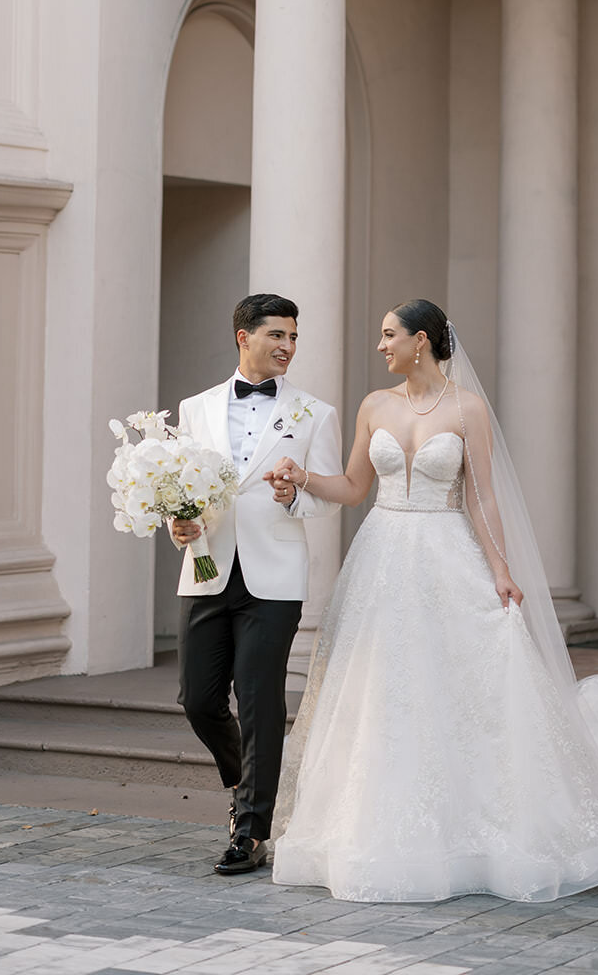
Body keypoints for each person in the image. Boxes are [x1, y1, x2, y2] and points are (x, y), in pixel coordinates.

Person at [264, 298, 598, 904]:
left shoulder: (467, 409)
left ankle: (479, 828)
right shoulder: (374, 406)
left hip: (446, 555)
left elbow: (482, 499)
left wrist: (501, 570)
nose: (380, 346)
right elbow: (354, 488)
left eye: (389, 335)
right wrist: (301, 477)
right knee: (383, 689)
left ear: (423, 341)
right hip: (381, 557)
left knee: (459, 690)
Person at [170, 292, 341, 876]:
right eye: (277, 336)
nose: (288, 348)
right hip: (207, 567)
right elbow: (180, 490)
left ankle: (251, 828)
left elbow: (326, 499)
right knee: (198, 699)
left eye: (294, 337)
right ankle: (244, 776)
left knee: (261, 699)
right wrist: (178, 523)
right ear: (244, 336)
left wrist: (295, 494)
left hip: (274, 577)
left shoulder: (314, 413)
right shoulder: (194, 410)